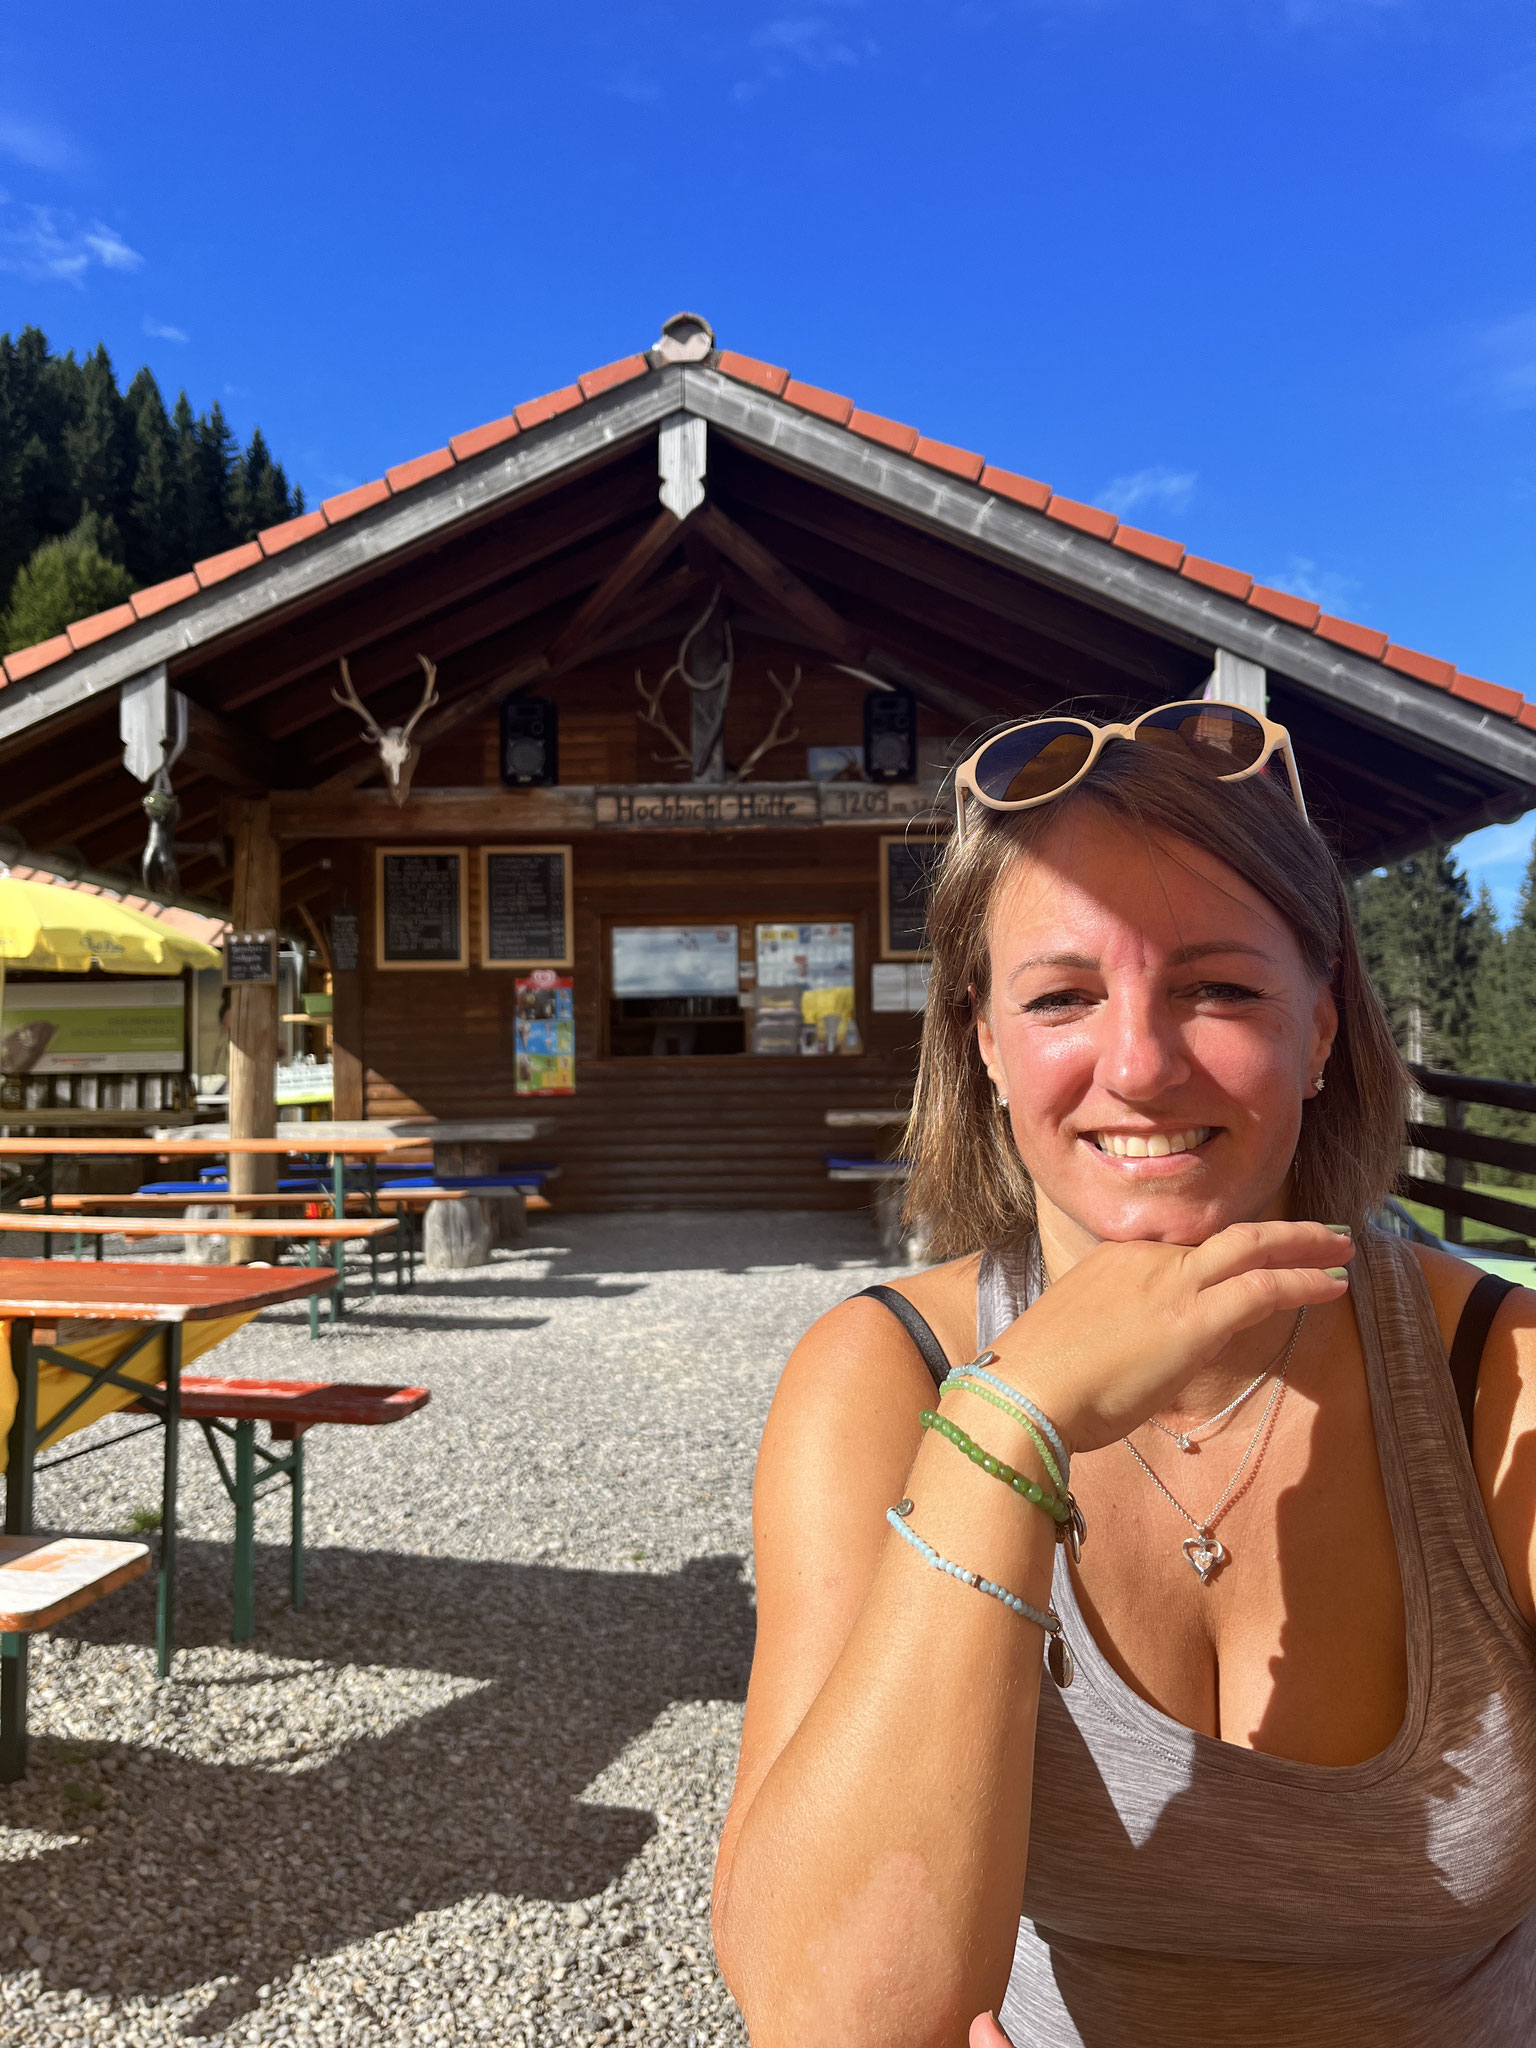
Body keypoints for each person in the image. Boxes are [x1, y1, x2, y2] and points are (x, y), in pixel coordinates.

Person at [711, 702, 1536, 2047]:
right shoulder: (882, 1374)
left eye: (1219, 988)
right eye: (1062, 996)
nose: (1142, 1067)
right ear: (982, 1041)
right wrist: (1009, 1424)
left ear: (1322, 1032)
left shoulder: (1495, 1373)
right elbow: (825, 2013)